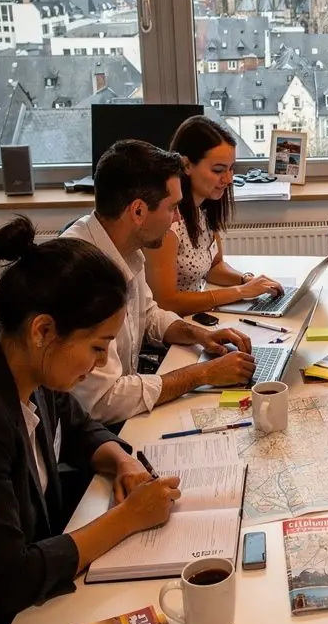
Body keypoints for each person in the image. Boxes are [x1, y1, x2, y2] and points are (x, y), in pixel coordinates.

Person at [0, 218, 181, 624]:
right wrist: (127, 519)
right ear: (44, 331)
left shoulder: (26, 363)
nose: (101, 364)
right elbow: (7, 578)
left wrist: (121, 460)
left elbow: (75, 426)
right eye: (97, 347)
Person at [64, 139, 256, 423]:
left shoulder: (125, 248)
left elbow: (149, 314)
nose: (177, 218)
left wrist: (201, 336)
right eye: (172, 208)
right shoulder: (82, 276)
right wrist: (203, 374)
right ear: (138, 211)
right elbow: (103, 402)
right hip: (92, 430)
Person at [143, 115, 283, 315]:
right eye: (218, 170)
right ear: (187, 166)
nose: (229, 179)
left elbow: (214, 266)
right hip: (170, 330)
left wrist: (247, 280)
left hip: (194, 317)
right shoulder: (168, 221)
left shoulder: (205, 209)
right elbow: (166, 302)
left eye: (231, 169)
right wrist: (241, 291)